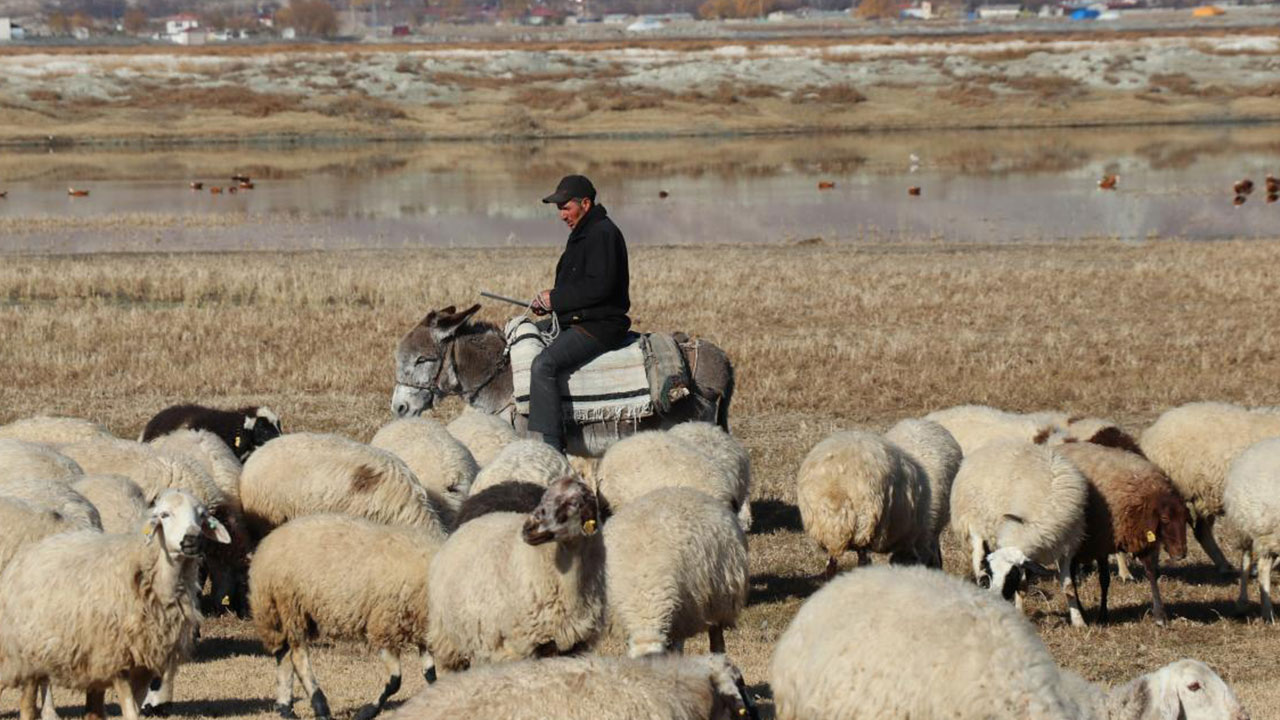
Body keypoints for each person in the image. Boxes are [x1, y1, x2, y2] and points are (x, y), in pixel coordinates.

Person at [528, 174, 631, 452]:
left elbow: (600, 287)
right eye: (559, 208)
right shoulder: (586, 232)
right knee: (523, 334)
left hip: (599, 325)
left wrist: (556, 299)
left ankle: (551, 446)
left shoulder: (602, 234)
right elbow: (579, 285)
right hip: (578, 318)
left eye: (565, 207)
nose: (561, 215)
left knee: (543, 365)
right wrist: (550, 303)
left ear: (585, 203)